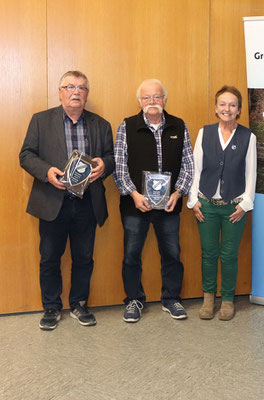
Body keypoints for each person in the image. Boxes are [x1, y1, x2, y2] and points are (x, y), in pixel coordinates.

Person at [19, 71, 114, 330]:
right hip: (53, 201)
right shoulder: (41, 120)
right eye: (70, 86)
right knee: (50, 256)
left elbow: (112, 157)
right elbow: (26, 155)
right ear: (60, 91)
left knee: (84, 257)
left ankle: (79, 303)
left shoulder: (101, 124)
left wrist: (104, 164)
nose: (76, 92)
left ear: (87, 94)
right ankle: (51, 307)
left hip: (87, 203)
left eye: (81, 88)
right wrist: (47, 172)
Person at [113, 79, 194, 323]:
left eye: (157, 97)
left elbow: (188, 164)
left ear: (164, 100)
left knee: (172, 254)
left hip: (169, 205)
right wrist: (134, 194)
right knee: (131, 255)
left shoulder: (179, 126)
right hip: (135, 206)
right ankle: (134, 300)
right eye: (147, 98)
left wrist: (178, 193)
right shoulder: (127, 126)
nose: (152, 102)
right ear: (140, 101)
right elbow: (119, 167)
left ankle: (171, 299)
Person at [187, 85, 256, 321]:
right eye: (223, 104)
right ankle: (208, 298)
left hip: (234, 208)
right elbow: (196, 170)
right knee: (208, 253)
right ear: (216, 109)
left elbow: (251, 174)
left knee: (229, 255)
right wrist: (193, 200)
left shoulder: (248, 136)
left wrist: (245, 204)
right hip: (205, 205)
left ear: (238, 110)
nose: (227, 109)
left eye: (232, 105)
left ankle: (227, 299)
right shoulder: (204, 133)